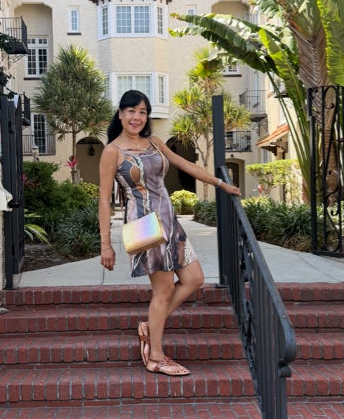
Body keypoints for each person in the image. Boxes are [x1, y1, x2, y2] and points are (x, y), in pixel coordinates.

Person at [98, 90, 242, 377]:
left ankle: (150, 326)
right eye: (131, 111)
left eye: (142, 112)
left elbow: (183, 163)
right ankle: (156, 356)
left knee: (194, 278)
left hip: (169, 220)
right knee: (163, 290)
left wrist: (220, 184)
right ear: (120, 114)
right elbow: (103, 199)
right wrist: (105, 244)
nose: (137, 117)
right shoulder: (112, 151)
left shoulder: (154, 142)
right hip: (142, 224)